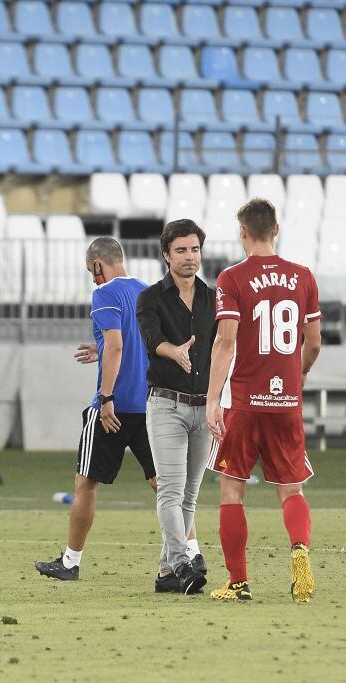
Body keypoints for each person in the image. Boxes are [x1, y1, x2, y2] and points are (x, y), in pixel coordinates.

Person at [204, 198, 323, 603]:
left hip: (244, 400)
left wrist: (212, 397)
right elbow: (315, 342)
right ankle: (300, 554)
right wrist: (300, 372)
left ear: (242, 233)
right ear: (276, 230)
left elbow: (225, 340)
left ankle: (238, 583)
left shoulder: (232, 279)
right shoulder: (303, 277)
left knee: (231, 489)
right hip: (286, 401)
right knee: (292, 491)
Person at [35, 236, 156, 581]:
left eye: (91, 270)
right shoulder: (148, 292)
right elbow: (141, 345)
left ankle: (70, 562)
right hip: (150, 405)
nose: (92, 277)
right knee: (165, 484)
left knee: (86, 482)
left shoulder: (104, 294)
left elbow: (117, 346)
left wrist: (106, 398)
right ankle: (188, 555)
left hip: (113, 408)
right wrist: (101, 349)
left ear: (98, 264)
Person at [136, 219, 216, 595]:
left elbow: (224, 347)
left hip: (204, 407)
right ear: (166, 254)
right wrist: (175, 351)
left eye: (195, 249)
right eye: (181, 250)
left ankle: (168, 573)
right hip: (166, 403)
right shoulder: (150, 298)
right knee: (170, 489)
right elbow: (153, 341)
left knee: (190, 494)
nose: (189, 257)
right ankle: (183, 562)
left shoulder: (215, 298)